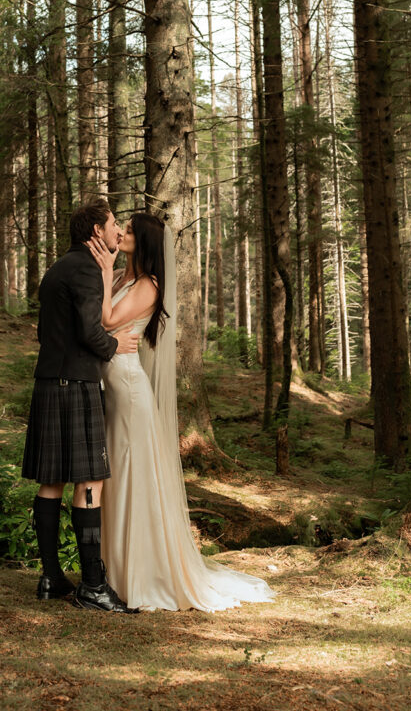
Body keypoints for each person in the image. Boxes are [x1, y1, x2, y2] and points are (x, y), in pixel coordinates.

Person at [86, 212, 275, 612]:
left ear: (148, 243)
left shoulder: (148, 285)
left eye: (132, 232)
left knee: (131, 477)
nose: (123, 234)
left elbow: (106, 319)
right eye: (125, 228)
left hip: (129, 390)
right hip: (111, 386)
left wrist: (104, 269)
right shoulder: (124, 278)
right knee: (114, 479)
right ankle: (109, 573)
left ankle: (142, 576)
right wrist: (109, 272)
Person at [21, 199, 139, 613]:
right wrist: (114, 345)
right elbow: (92, 330)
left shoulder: (59, 268)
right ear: (96, 232)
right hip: (76, 383)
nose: (118, 232)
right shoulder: (88, 269)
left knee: (51, 480)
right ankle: (92, 586)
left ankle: (52, 578)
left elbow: (46, 331)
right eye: (112, 226)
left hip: (49, 380)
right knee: (90, 480)